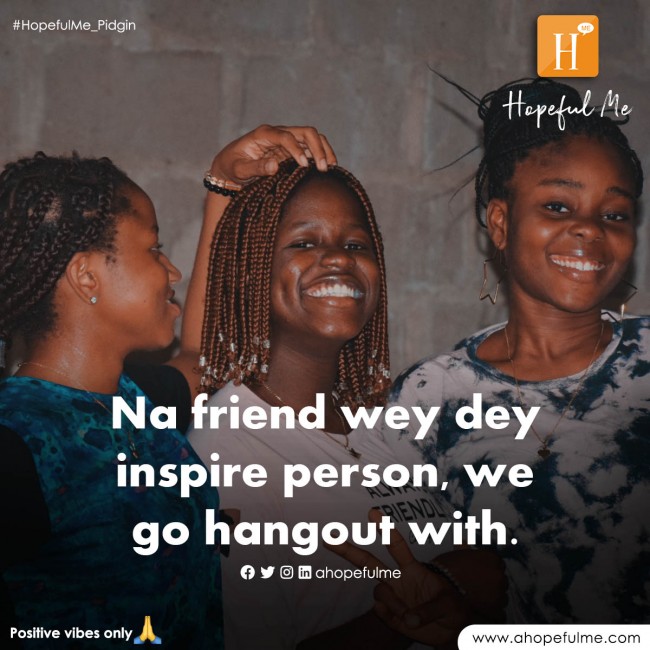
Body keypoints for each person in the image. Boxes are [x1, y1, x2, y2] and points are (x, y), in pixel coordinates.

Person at [0, 125, 334, 648]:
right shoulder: (16, 443)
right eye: (154, 249)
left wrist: (222, 186)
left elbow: (203, 360)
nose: (171, 270)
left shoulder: (136, 401)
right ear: (87, 277)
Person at [188, 159, 506, 649]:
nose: (338, 258)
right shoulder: (226, 448)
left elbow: (485, 574)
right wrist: (400, 618)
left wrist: (454, 583)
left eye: (356, 245)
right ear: (250, 272)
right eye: (304, 243)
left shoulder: (386, 424)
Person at [386, 78, 649, 624]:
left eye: (615, 214)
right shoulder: (429, 397)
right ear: (501, 224)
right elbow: (422, 588)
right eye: (557, 206)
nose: (589, 229)